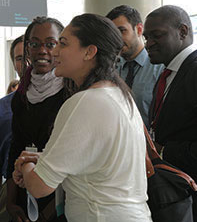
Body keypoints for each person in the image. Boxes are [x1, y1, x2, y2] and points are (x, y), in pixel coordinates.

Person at [13, 13, 152, 222]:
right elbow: (97, 164)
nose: (55, 52)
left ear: (89, 52)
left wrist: (25, 164)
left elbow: (40, 186)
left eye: (63, 43)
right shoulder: (120, 95)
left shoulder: (85, 102)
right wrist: (43, 159)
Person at [143, 5, 197, 222]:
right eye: (146, 37)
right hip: (175, 197)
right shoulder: (168, 73)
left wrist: (165, 152)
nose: (148, 43)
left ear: (182, 31)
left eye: (156, 35)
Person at [7, 17, 74, 222]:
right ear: (27, 50)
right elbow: (15, 148)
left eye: (50, 44)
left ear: (61, 47)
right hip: (24, 188)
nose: (42, 50)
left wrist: (50, 212)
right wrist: (11, 202)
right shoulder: (21, 96)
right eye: (34, 44)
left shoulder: (71, 92)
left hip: (60, 197)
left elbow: (71, 158)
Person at [106, 5, 163, 128]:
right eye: (113, 34)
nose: (117, 39)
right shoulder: (110, 68)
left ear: (139, 30)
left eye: (122, 31)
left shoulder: (159, 67)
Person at [0, 35, 24, 222]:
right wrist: (0, 198)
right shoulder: (0, 108)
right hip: (9, 190)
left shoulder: (62, 100)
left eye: (29, 54)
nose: (27, 62)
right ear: (13, 64)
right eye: (19, 58)